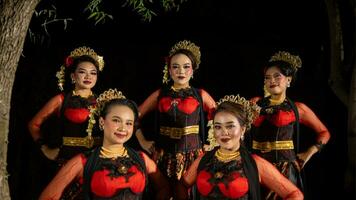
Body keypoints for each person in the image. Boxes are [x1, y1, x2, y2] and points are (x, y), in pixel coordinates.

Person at [39, 89, 171, 200]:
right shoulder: (82, 162)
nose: (122, 128)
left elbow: (165, 188)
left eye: (128, 123)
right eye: (116, 121)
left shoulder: (142, 159)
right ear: (102, 122)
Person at [175, 94, 304, 200]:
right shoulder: (203, 160)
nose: (224, 132)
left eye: (230, 126)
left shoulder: (256, 164)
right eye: (218, 127)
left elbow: (295, 195)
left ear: (242, 130)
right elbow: (181, 185)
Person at [135, 40, 216, 191]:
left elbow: (220, 118)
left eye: (186, 67)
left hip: (193, 157)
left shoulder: (200, 95)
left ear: (192, 70)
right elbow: (133, 116)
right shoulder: (160, 94)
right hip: (163, 156)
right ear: (169, 70)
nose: (181, 71)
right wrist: (142, 141)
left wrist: (212, 142)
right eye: (175, 67)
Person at [248, 51, 331, 199]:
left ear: (288, 80)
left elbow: (324, 132)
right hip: (257, 165)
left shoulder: (298, 108)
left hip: (285, 168)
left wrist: (309, 152)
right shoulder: (254, 103)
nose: (272, 80)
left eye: (277, 76)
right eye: (267, 78)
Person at [28, 46, 105, 197]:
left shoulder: (103, 101)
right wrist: (45, 148)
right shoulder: (62, 100)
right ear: (73, 76)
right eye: (82, 72)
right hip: (68, 161)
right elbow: (33, 124)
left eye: (93, 73)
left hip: (97, 161)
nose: (88, 76)